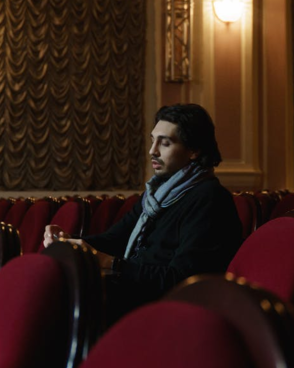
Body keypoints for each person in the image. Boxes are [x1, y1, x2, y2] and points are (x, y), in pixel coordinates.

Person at [44, 103, 242, 319]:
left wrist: (111, 264)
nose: (152, 151)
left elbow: (183, 280)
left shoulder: (209, 198)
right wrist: (68, 243)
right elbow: (114, 239)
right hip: (132, 292)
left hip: (164, 308)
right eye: (152, 140)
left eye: (164, 143)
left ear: (194, 150)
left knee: (56, 298)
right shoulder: (157, 193)